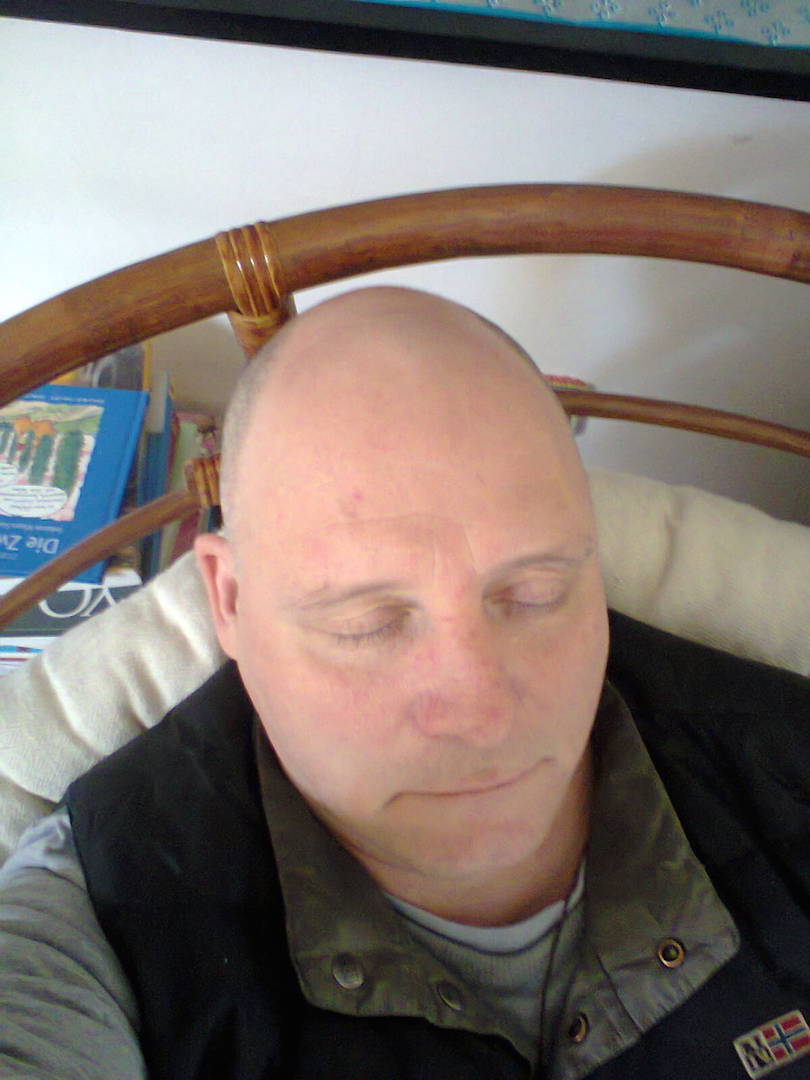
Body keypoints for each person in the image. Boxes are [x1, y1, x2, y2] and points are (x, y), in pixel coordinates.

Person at [0, 287, 808, 1080]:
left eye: (534, 593)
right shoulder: (101, 913)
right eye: (368, 624)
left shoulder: (784, 763)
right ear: (231, 602)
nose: (482, 714)